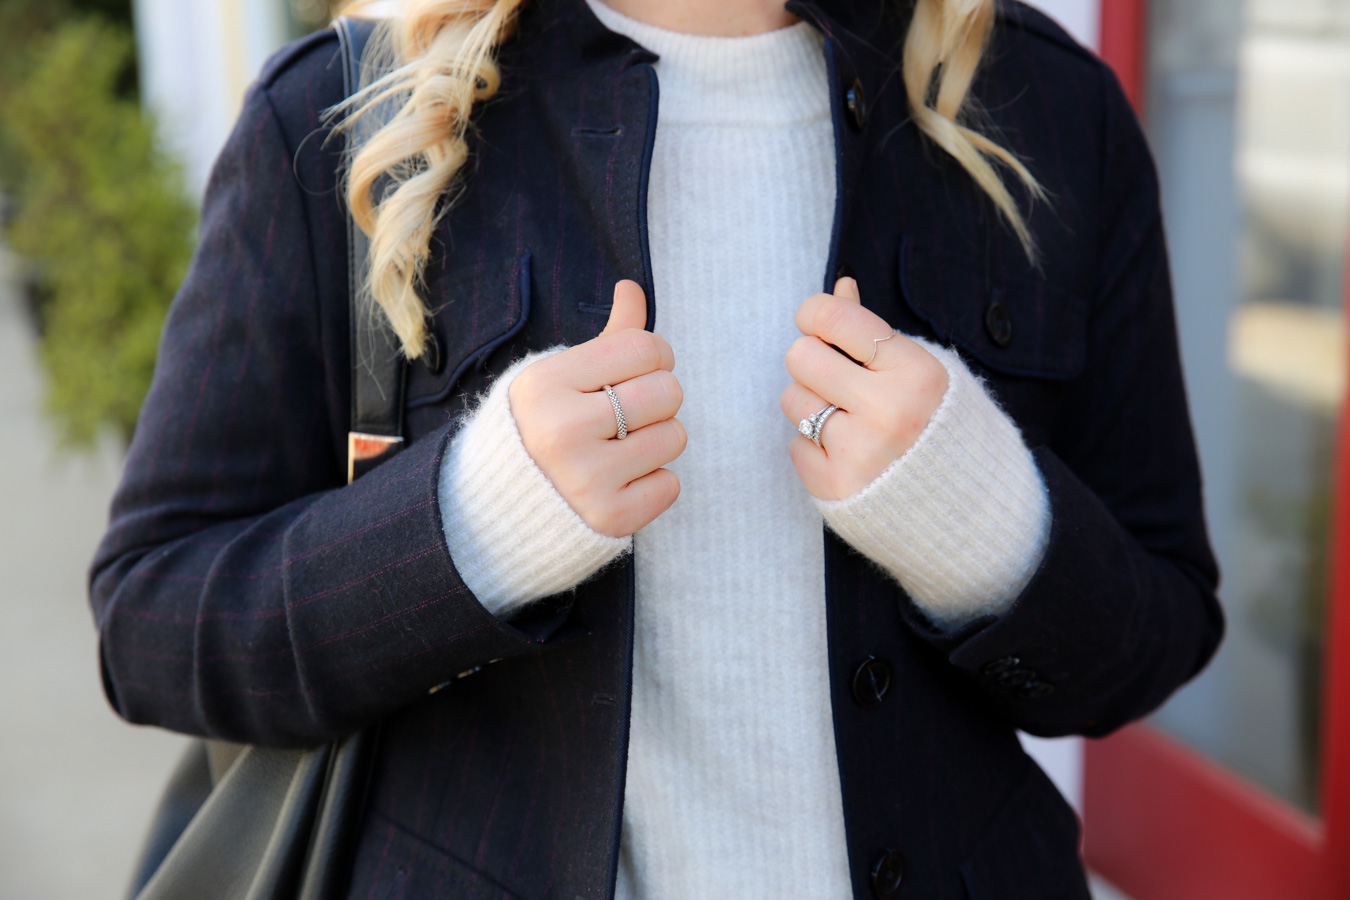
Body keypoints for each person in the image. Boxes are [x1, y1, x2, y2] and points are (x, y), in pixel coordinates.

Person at [89, 0, 1223, 897]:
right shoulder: (345, 118)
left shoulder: (1047, 113)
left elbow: (1158, 632)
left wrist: (990, 525)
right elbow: (153, 624)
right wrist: (470, 525)